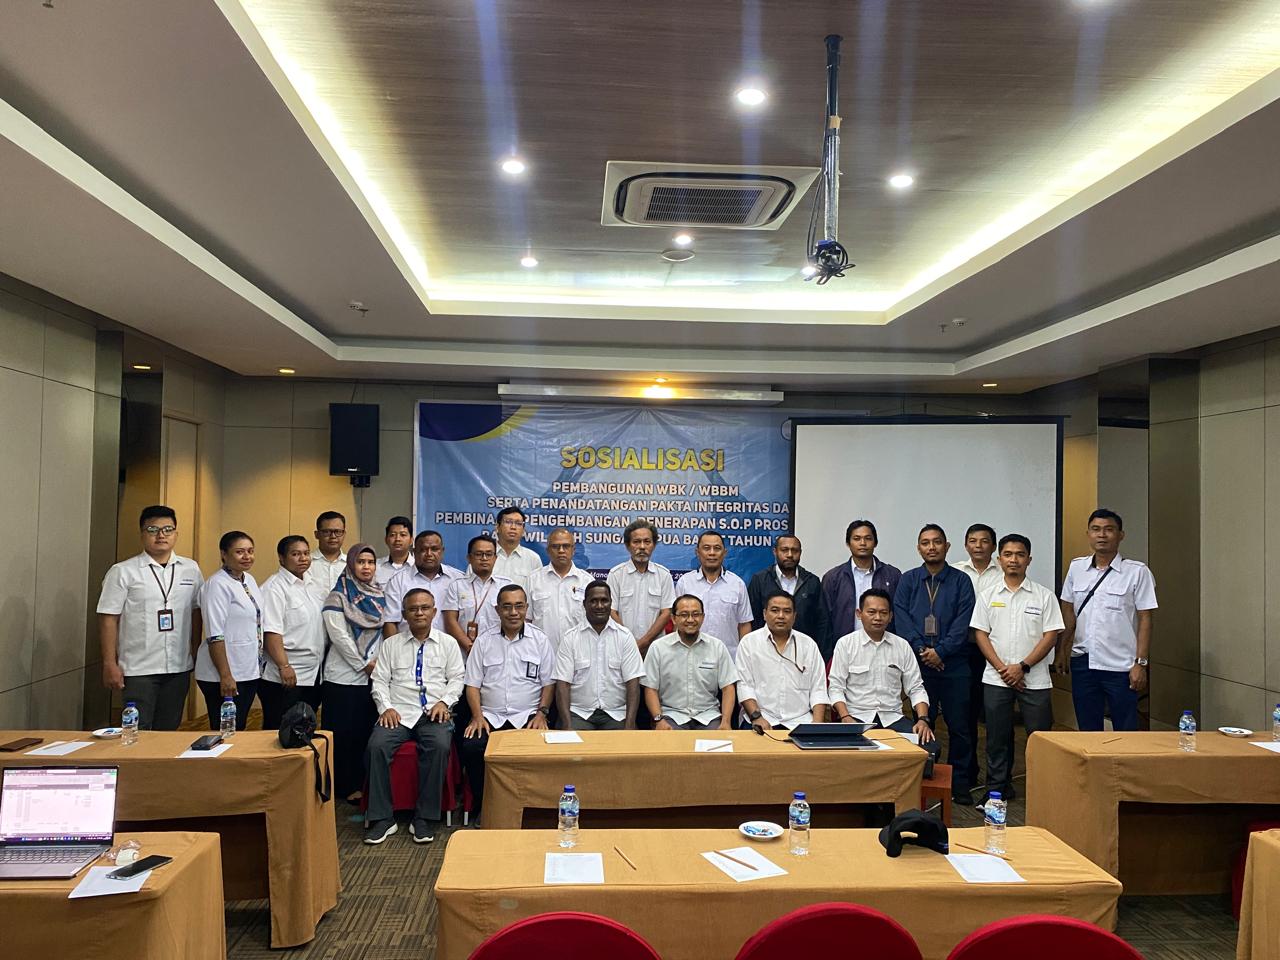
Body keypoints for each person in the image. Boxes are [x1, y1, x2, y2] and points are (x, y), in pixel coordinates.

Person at [364, 588, 464, 846]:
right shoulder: (391, 645)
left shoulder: (448, 644)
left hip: (434, 713)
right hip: (398, 713)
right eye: (413, 609)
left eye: (424, 608)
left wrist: (444, 702)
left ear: (434, 612)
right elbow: (379, 681)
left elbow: (457, 679)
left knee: (439, 745)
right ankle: (382, 818)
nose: (419, 613)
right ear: (404, 614)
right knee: (376, 746)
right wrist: (385, 708)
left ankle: (424, 817)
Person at [972, 534, 1064, 804]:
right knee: (996, 738)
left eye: (1020, 554)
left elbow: (1051, 636)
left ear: (1029, 559)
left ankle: (1043, 792)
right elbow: (980, 634)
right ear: (999, 559)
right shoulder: (988, 596)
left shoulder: (1044, 596)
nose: (1014, 560)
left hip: (1034, 679)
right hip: (996, 678)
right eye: (1008, 554)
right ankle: (997, 790)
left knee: (1040, 738)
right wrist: (1004, 669)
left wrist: (1022, 667)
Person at [96, 505, 204, 730]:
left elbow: (196, 612)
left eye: (168, 529)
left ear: (176, 533)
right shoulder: (123, 571)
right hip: (138, 670)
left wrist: (194, 650)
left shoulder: (191, 569)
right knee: (137, 731)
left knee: (168, 730)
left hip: (178, 667)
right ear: (142, 534)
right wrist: (109, 663)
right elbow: (108, 618)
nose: (161, 535)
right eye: (153, 529)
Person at [893, 525, 976, 804]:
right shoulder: (908, 580)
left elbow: (963, 622)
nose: (932, 547)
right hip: (918, 665)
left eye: (937, 542)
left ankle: (959, 784)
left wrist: (941, 652)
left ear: (947, 546)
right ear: (919, 548)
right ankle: (920, 779)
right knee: (920, 724)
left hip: (954, 665)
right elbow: (902, 619)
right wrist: (923, 651)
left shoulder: (962, 581)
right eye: (926, 543)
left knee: (959, 727)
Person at [459, 585, 556, 823]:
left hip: (528, 716)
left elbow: (549, 683)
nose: (513, 612)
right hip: (490, 716)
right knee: (472, 747)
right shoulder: (483, 642)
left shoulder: (540, 640)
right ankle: (485, 806)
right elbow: (472, 685)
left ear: (526, 608)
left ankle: (533, 809)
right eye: (507, 607)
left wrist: (542, 714)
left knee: (542, 750)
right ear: (497, 610)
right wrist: (477, 716)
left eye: (519, 606)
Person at [1056, 509, 1157, 732]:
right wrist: (1062, 650)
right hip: (1083, 662)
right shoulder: (1077, 568)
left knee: (1126, 729)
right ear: (1088, 534)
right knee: (1088, 729)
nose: (1102, 535)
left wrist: (1141, 664)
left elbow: (1145, 620)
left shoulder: (1137, 572)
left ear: (1121, 535)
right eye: (1096, 529)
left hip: (1121, 665)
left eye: (1109, 529)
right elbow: (1068, 610)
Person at [827, 589, 937, 759]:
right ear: (859, 614)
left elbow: (916, 688)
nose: (877, 618)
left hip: (893, 719)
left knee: (929, 749)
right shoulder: (845, 644)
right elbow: (835, 688)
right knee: (844, 754)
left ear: (890, 616)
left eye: (883, 613)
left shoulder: (902, 646)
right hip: (856, 718)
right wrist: (846, 717)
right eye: (871, 612)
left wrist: (923, 719)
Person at [321, 544, 386, 802]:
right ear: (350, 565)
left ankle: (363, 784)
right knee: (343, 735)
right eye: (361, 562)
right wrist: (363, 664)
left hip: (372, 676)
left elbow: (383, 635)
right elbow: (339, 637)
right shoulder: (337, 596)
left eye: (371, 562)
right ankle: (343, 787)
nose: (366, 567)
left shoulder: (379, 595)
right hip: (343, 677)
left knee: (364, 733)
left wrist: (379, 665)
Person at [194, 531, 263, 730]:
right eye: (240, 552)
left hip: (247, 670)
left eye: (250, 551)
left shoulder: (248, 580)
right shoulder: (217, 584)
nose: (247, 556)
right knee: (225, 731)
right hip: (223, 674)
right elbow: (214, 635)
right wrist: (225, 675)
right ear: (224, 554)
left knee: (239, 729)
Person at [553, 581, 644, 730]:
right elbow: (563, 684)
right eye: (593, 601)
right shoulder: (570, 638)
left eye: (604, 600)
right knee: (571, 744)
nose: (599, 606)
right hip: (578, 714)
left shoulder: (625, 637)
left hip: (616, 714)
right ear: (584, 604)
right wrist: (567, 726)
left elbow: (633, 683)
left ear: (611, 603)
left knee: (624, 744)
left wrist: (629, 726)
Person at [259, 535, 327, 729]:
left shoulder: (313, 585)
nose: (303, 558)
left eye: (306, 553)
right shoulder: (274, 587)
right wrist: (284, 666)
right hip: (286, 675)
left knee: (304, 729)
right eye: (296, 554)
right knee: (279, 730)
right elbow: (271, 632)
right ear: (281, 558)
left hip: (313, 673)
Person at [735, 591, 829, 730]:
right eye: (775, 610)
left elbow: (818, 689)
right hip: (760, 719)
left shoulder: (808, 645)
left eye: (787, 611)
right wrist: (757, 718)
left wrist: (817, 725)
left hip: (801, 721)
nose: (781, 616)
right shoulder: (749, 643)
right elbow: (744, 686)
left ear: (794, 616)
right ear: (764, 614)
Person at [642, 595, 736, 730]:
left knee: (717, 742)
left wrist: (726, 722)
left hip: (708, 716)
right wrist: (658, 720)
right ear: (673, 618)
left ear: (703, 617)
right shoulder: (658, 648)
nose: (690, 620)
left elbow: (728, 687)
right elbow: (650, 688)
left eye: (696, 614)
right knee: (670, 742)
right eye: (684, 615)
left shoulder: (717, 647)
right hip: (671, 716)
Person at [953, 523, 1001, 789]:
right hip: (964, 650)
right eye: (973, 541)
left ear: (993, 546)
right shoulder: (956, 572)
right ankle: (969, 772)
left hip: (996, 651)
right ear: (965, 545)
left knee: (996, 716)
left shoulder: (1004, 572)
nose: (978, 546)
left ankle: (999, 778)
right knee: (966, 713)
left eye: (984, 541)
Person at [747, 535, 832, 660]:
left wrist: (821, 657)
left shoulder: (812, 582)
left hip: (803, 653)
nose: (790, 555)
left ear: (800, 553)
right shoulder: (760, 580)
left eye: (794, 550)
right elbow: (752, 619)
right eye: (784, 550)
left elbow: (822, 622)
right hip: (765, 653)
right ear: (775, 551)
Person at [673, 531, 753, 658]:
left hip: (728, 658)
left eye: (717, 548)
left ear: (724, 553)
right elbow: (677, 623)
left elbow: (744, 624)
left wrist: (744, 657)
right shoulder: (685, 583)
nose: (712, 553)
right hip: (691, 657)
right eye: (706, 548)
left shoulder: (737, 584)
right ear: (697, 552)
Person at [822, 520, 902, 641]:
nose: (863, 543)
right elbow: (824, 619)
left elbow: (899, 615)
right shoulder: (833, 578)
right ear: (848, 543)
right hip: (846, 647)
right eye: (857, 539)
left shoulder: (892, 575)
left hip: (884, 645)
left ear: (875, 543)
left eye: (868, 538)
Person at [606, 520, 676, 657]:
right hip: (622, 648)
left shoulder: (664, 575)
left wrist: (645, 642)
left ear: (654, 545)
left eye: (647, 542)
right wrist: (629, 642)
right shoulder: (616, 574)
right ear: (627, 545)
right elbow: (611, 611)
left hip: (655, 649)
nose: (642, 547)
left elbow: (667, 612)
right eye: (636, 542)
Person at [382, 530, 464, 636]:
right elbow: (390, 622)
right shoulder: (398, 581)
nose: (429, 554)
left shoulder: (458, 579)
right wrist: (392, 646)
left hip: (448, 645)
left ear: (442, 551)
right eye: (423, 550)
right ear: (414, 552)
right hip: (408, 644)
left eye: (434, 549)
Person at [442, 535, 512, 657]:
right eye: (479, 554)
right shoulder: (457, 586)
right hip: (464, 655)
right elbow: (450, 622)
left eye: (489, 554)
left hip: (498, 653)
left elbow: (512, 619)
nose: (484, 558)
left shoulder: (506, 586)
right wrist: (470, 648)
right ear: (469, 558)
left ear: (495, 558)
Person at [527, 527, 594, 651]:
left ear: (573, 550)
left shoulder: (587, 581)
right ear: (548, 550)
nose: (561, 550)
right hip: (541, 652)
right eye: (555, 546)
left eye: (566, 546)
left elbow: (593, 622)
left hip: (578, 653)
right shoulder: (533, 580)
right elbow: (527, 620)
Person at [490, 506, 542, 589]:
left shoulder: (533, 559)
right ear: (497, 527)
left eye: (518, 523)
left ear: (523, 530)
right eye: (508, 522)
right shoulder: (484, 556)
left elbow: (538, 590)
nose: (513, 527)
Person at [310, 511, 348, 591]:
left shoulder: (351, 564)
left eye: (338, 532)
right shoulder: (305, 563)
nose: (333, 536)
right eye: (327, 532)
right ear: (316, 534)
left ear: (344, 534)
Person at [375, 516, 413, 587]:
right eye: (393, 535)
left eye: (403, 535)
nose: (397, 539)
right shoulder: (375, 567)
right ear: (386, 540)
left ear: (411, 540)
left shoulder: (417, 567)